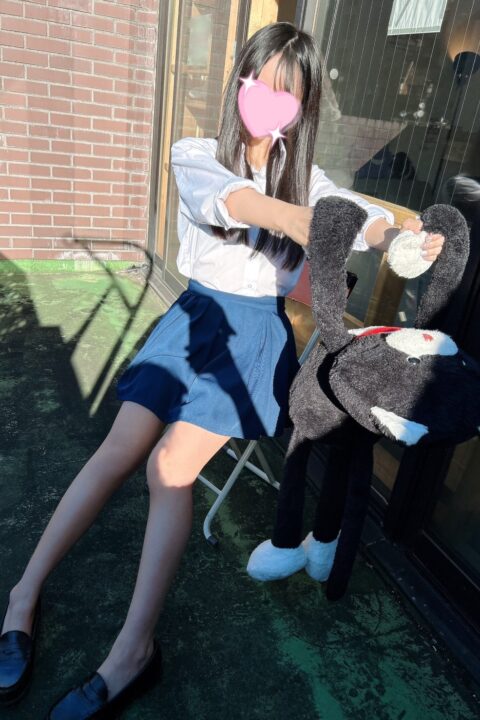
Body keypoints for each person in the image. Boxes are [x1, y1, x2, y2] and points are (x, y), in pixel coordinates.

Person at [0, 22, 444, 720]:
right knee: (119, 448)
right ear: (240, 80)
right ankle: (23, 594)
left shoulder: (310, 180)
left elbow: (358, 216)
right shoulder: (197, 153)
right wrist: (300, 221)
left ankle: (133, 653)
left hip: (252, 338)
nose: (268, 97)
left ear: (303, 106)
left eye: (287, 90)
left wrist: (401, 235)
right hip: (194, 318)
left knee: (169, 468)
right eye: (260, 80)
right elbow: (231, 202)